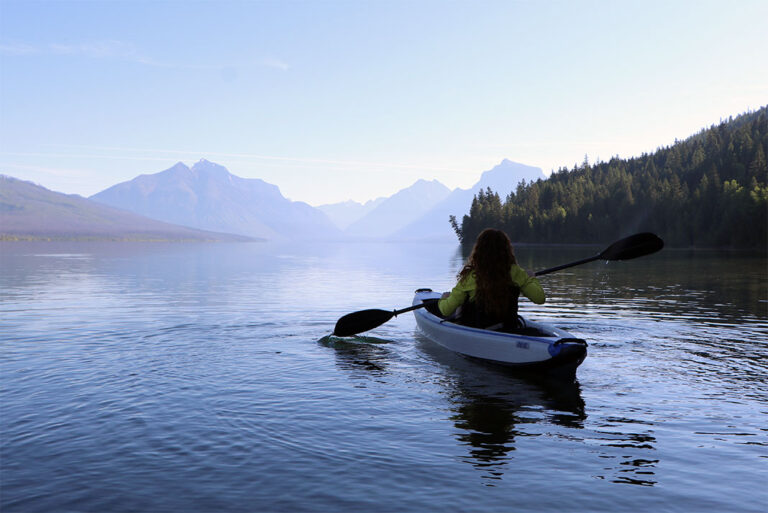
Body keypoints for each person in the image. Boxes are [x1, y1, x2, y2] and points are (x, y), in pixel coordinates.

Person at [437, 228, 545, 329]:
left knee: (460, 306)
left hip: (478, 329)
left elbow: (446, 311)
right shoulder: (517, 272)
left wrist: (443, 298)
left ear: (479, 251)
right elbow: (539, 299)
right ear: (507, 250)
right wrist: (531, 278)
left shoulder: (470, 276)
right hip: (509, 328)